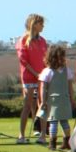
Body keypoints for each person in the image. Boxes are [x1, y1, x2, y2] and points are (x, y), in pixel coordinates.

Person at [15, 14, 47, 144]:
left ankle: (43, 135)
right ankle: (21, 135)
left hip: (42, 77)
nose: (43, 26)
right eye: (40, 23)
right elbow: (24, 61)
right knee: (27, 106)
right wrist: (35, 73)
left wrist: (44, 73)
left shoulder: (43, 40)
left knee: (43, 105)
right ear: (34, 24)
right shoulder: (23, 40)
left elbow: (45, 58)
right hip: (29, 78)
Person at [39, 44, 76, 151]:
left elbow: (43, 88)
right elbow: (70, 87)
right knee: (64, 122)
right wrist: (72, 99)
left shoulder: (47, 71)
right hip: (64, 99)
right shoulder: (67, 70)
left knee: (53, 121)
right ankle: (67, 141)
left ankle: (52, 143)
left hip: (53, 100)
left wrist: (42, 101)